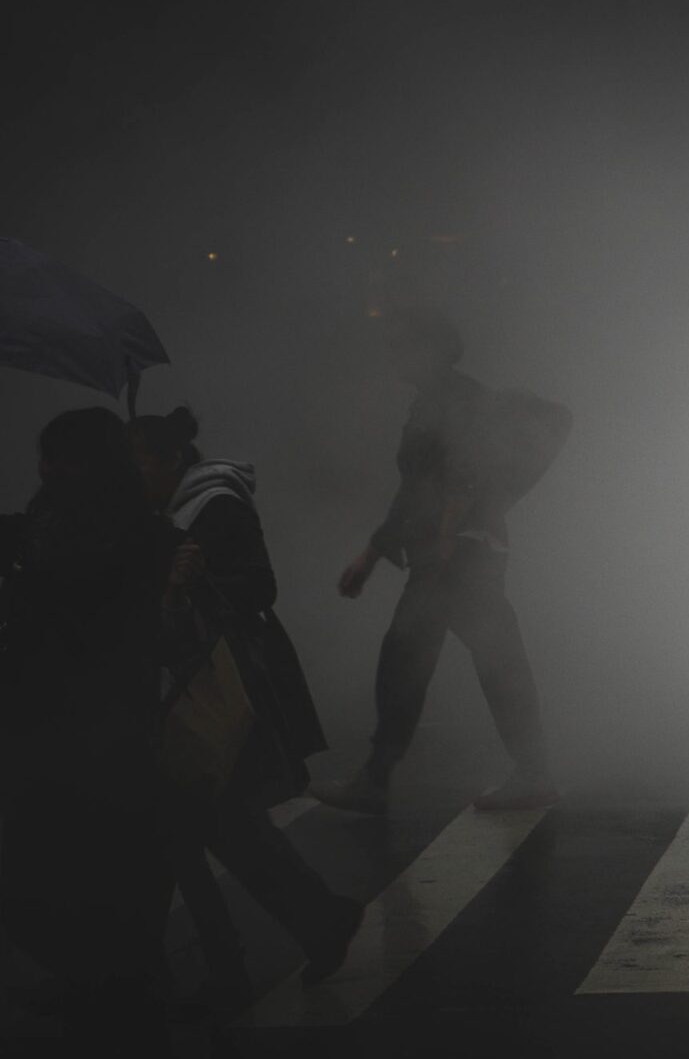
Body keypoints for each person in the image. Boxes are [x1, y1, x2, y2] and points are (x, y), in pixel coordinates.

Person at [132, 408, 361, 1001]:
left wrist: (184, 583)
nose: (134, 478)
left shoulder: (215, 505)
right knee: (218, 822)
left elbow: (259, 586)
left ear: (170, 461)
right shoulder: (173, 509)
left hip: (227, 679)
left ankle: (216, 965)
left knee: (212, 819)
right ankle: (315, 922)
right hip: (203, 678)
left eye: (140, 465)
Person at [313, 308, 557, 815]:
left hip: (457, 553)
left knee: (409, 655)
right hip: (459, 551)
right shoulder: (432, 400)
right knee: (483, 658)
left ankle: (378, 779)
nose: (394, 356)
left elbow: (466, 467)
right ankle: (531, 773)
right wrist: (373, 552)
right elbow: (414, 488)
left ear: (430, 350)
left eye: (403, 346)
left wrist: (446, 531)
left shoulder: (457, 399)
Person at [0, 408, 183, 1042]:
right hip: (43, 714)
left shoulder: (134, 534)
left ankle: (121, 989)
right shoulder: (48, 519)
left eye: (64, 459)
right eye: (45, 457)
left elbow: (85, 598)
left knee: (98, 859)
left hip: (100, 718)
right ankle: (95, 980)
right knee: (52, 860)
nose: (49, 470)